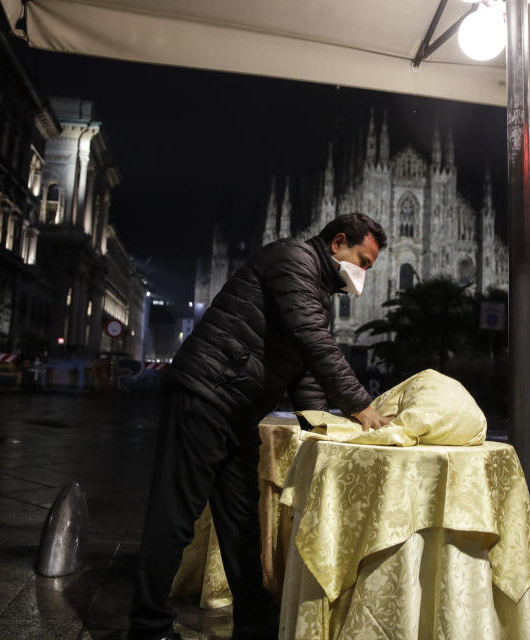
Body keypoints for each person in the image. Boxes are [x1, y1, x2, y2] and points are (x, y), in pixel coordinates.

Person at [128, 213, 391, 640]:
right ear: (338, 242)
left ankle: (253, 619)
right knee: (175, 515)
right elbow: (313, 339)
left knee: (240, 521)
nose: (362, 274)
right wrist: (361, 406)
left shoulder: (318, 293)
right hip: (206, 395)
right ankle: (147, 626)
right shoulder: (293, 259)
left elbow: (303, 369)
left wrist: (317, 425)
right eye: (362, 260)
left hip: (238, 410)